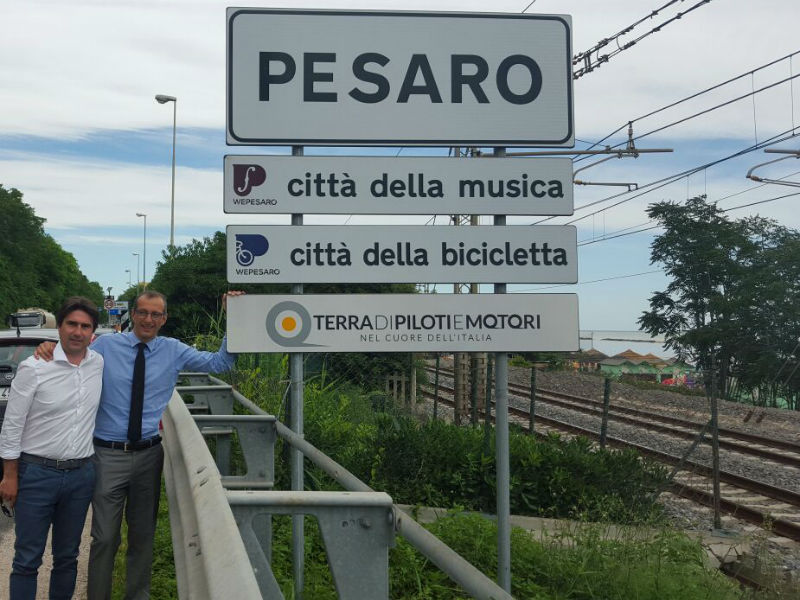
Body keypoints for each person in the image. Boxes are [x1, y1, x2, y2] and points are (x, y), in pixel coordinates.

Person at [37, 289, 243, 600]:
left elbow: (220, 364)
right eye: (143, 312)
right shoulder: (106, 345)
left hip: (149, 455)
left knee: (142, 537)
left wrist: (235, 317)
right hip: (107, 454)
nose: (148, 319)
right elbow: (72, 353)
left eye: (155, 314)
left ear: (164, 319)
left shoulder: (173, 350)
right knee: (104, 538)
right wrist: (49, 347)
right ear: (133, 314)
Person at [0, 297, 104, 600]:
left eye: (85, 326)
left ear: (93, 333)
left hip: (81, 475)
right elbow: (12, 425)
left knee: (68, 557)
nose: (77, 331)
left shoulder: (98, 363)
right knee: (27, 559)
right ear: (59, 327)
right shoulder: (33, 367)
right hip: (36, 474)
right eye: (71, 324)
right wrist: (10, 475)